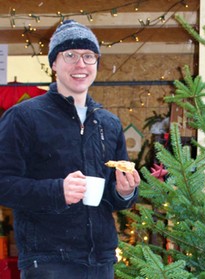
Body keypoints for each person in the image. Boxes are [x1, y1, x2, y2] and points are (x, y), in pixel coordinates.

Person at [0, 20, 141, 279]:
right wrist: (57, 191)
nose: (81, 64)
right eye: (70, 55)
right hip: (48, 262)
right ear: (54, 63)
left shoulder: (108, 123)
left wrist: (124, 191)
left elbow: (113, 198)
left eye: (88, 56)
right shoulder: (23, 117)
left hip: (101, 261)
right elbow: (3, 184)